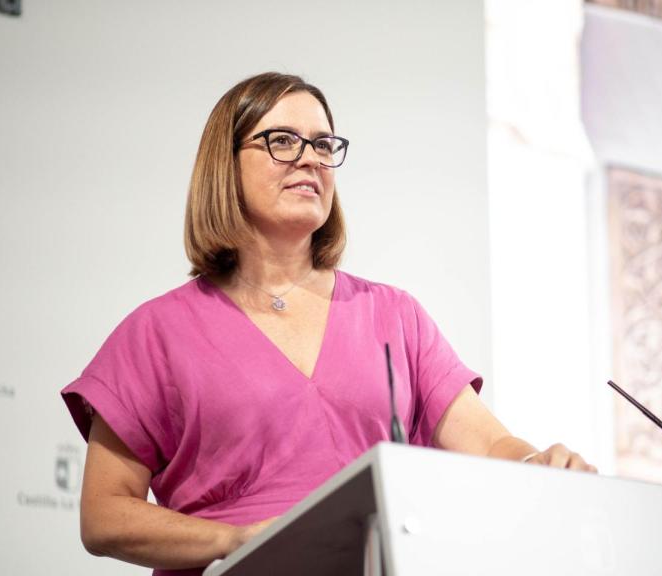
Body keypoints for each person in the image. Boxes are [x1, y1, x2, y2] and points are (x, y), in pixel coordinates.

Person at [61, 72, 595, 576]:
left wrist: (539, 462)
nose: (310, 159)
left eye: (323, 145)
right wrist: (237, 538)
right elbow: (105, 515)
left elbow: (490, 445)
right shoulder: (157, 332)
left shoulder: (393, 314)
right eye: (282, 141)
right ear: (225, 164)